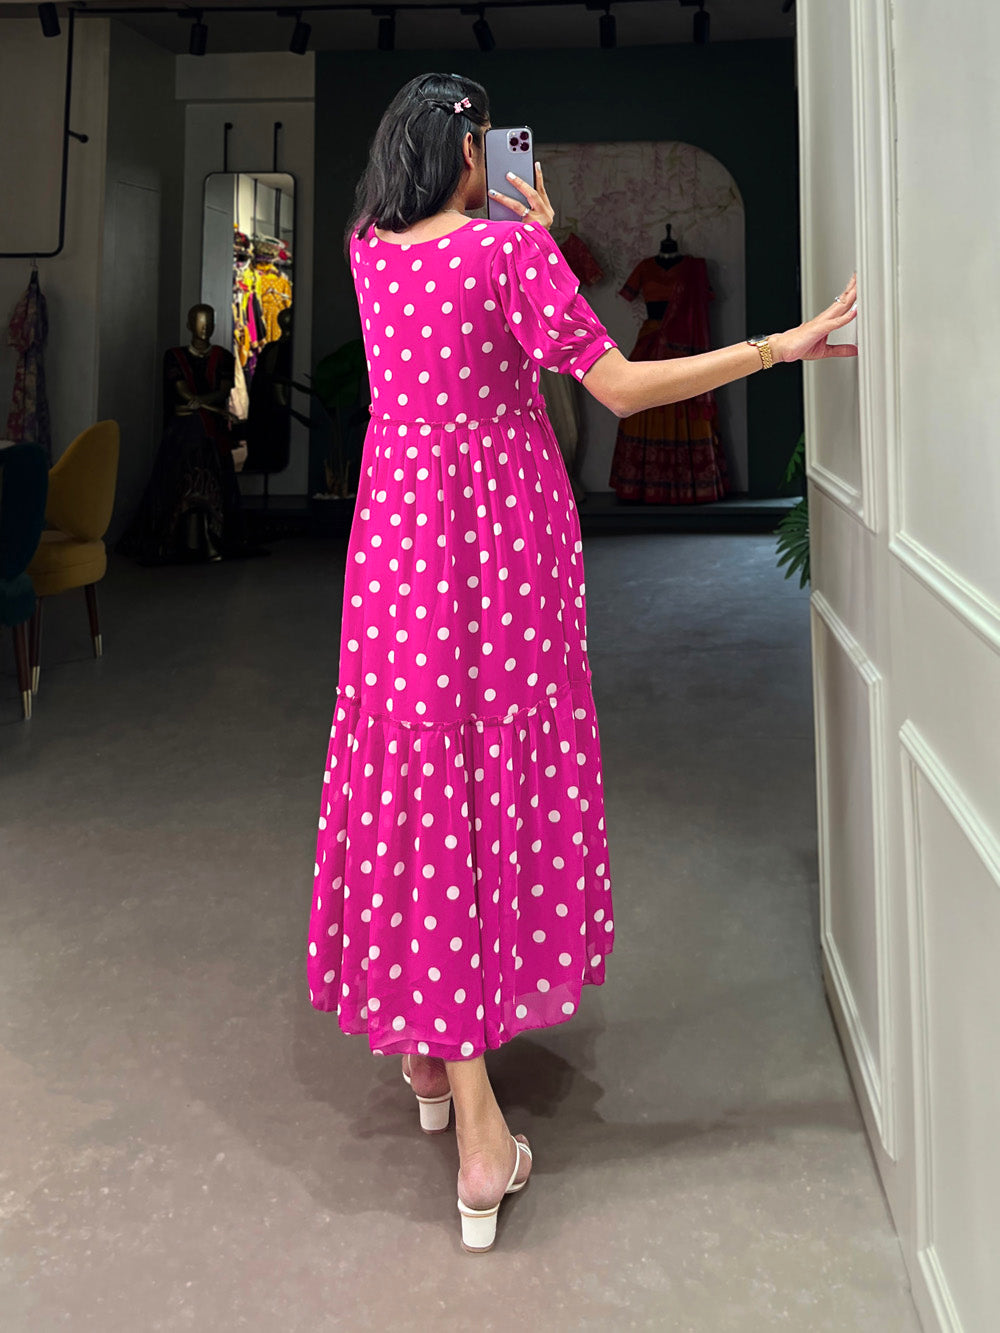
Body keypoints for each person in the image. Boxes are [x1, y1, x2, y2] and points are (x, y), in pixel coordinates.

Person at [306, 71, 857, 1254]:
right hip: (499, 550)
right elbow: (616, 385)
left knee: (418, 776)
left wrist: (537, 240)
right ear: (471, 151)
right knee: (480, 781)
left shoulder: (366, 252)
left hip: (398, 546)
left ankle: (427, 1051)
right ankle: (481, 1137)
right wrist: (778, 346)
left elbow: (457, 329)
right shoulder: (509, 256)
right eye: (486, 143)